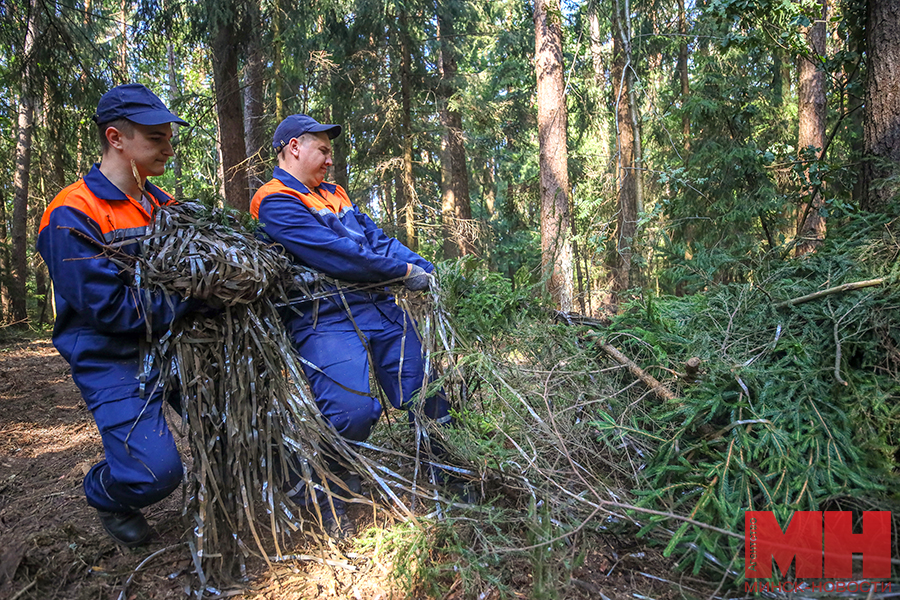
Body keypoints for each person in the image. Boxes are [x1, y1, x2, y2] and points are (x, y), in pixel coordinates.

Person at [250, 114, 453, 539]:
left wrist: (423, 267)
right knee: (353, 412)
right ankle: (332, 484)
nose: (329, 159)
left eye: (329, 151)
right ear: (294, 148)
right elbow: (335, 253)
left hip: (376, 305)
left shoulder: (336, 194)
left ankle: (452, 473)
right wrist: (400, 272)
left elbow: (375, 240)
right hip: (323, 317)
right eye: (322, 150)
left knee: (426, 393)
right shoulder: (273, 200)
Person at [37, 84, 205, 548]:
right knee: (155, 474)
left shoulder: (161, 204)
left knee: (229, 418)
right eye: (156, 139)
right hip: (109, 355)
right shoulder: (71, 214)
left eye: (169, 137)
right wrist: (192, 296)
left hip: (171, 344)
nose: (168, 149)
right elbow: (111, 310)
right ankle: (108, 493)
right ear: (116, 138)